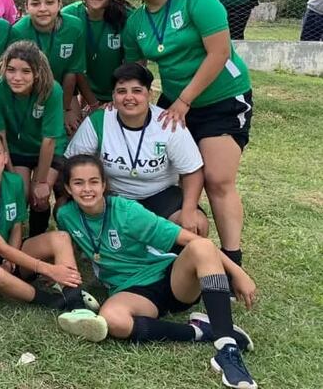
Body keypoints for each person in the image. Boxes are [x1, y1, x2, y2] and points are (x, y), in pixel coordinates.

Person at [55, 155, 258, 389]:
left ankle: (227, 346)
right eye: (79, 183)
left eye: (94, 182)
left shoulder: (127, 211)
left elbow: (188, 238)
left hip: (169, 278)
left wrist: (237, 273)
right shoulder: (66, 216)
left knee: (201, 246)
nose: (87, 189)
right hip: (131, 291)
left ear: (104, 185)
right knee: (113, 320)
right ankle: (200, 332)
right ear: (69, 188)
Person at [123, 0, 252, 268]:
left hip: (221, 98)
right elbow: (134, 71)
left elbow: (219, 53)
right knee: (168, 173)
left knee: (217, 179)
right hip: (175, 102)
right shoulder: (136, 21)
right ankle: (180, 242)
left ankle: (232, 257)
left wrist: (184, 101)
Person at [0, 131, 104, 334]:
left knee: (60, 238)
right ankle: (55, 301)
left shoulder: (15, 182)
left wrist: (13, 259)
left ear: (5, 157)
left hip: (12, 253)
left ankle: (76, 303)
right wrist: (48, 269)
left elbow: (17, 225)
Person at [65, 63, 209, 236]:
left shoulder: (168, 123)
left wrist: (188, 211)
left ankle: (175, 260)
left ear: (150, 94)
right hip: (114, 195)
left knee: (197, 224)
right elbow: (73, 164)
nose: (129, 97)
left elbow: (192, 171)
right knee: (64, 209)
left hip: (159, 194)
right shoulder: (99, 121)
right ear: (113, 96)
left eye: (137, 91)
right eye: (121, 91)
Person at [0, 41, 67, 236]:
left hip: (47, 149)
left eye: (26, 71)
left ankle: (37, 237)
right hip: (15, 149)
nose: (17, 78)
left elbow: (49, 140)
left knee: (40, 198)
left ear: (37, 72)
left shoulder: (52, 90)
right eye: (11, 70)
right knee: (20, 193)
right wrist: (11, 176)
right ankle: (12, 235)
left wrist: (42, 182)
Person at [10, 0, 86, 134]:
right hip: (30, 92)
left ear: (59, 4)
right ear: (26, 7)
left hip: (65, 93)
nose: (43, 9)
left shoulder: (75, 27)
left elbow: (72, 72)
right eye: (36, 4)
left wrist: (65, 110)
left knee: (72, 130)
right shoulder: (18, 32)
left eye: (49, 2)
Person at [61, 0, 131, 108]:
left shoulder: (126, 16)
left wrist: (121, 95)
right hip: (80, 92)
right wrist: (87, 101)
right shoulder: (69, 16)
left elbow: (136, 63)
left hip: (118, 93)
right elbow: (68, 67)